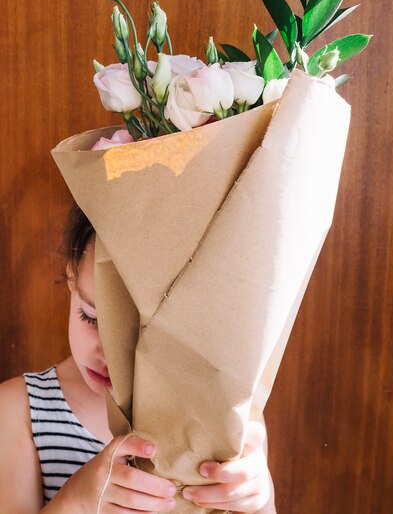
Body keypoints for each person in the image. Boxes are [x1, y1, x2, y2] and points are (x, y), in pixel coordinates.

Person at [0, 203, 276, 513]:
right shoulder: (19, 412)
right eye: (90, 317)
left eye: (138, 337)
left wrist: (256, 498)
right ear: (71, 279)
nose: (106, 353)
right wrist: (75, 501)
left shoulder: (227, 414)